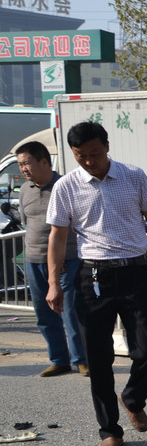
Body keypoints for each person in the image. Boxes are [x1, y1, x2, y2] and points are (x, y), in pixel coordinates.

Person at [45, 121, 147, 446]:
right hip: (91, 278)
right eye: (80, 155)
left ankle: (132, 398)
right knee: (98, 360)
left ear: (107, 147)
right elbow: (58, 236)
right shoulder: (66, 186)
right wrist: (54, 283)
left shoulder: (133, 176)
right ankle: (110, 431)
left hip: (134, 271)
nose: (88, 161)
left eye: (94, 154)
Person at [16, 141, 88, 378]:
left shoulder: (66, 185)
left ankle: (82, 360)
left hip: (66, 259)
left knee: (70, 311)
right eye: (20, 165)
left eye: (26, 163)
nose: (23, 169)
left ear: (44, 161)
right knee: (44, 313)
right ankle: (59, 359)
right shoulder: (25, 189)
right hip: (34, 260)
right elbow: (27, 222)